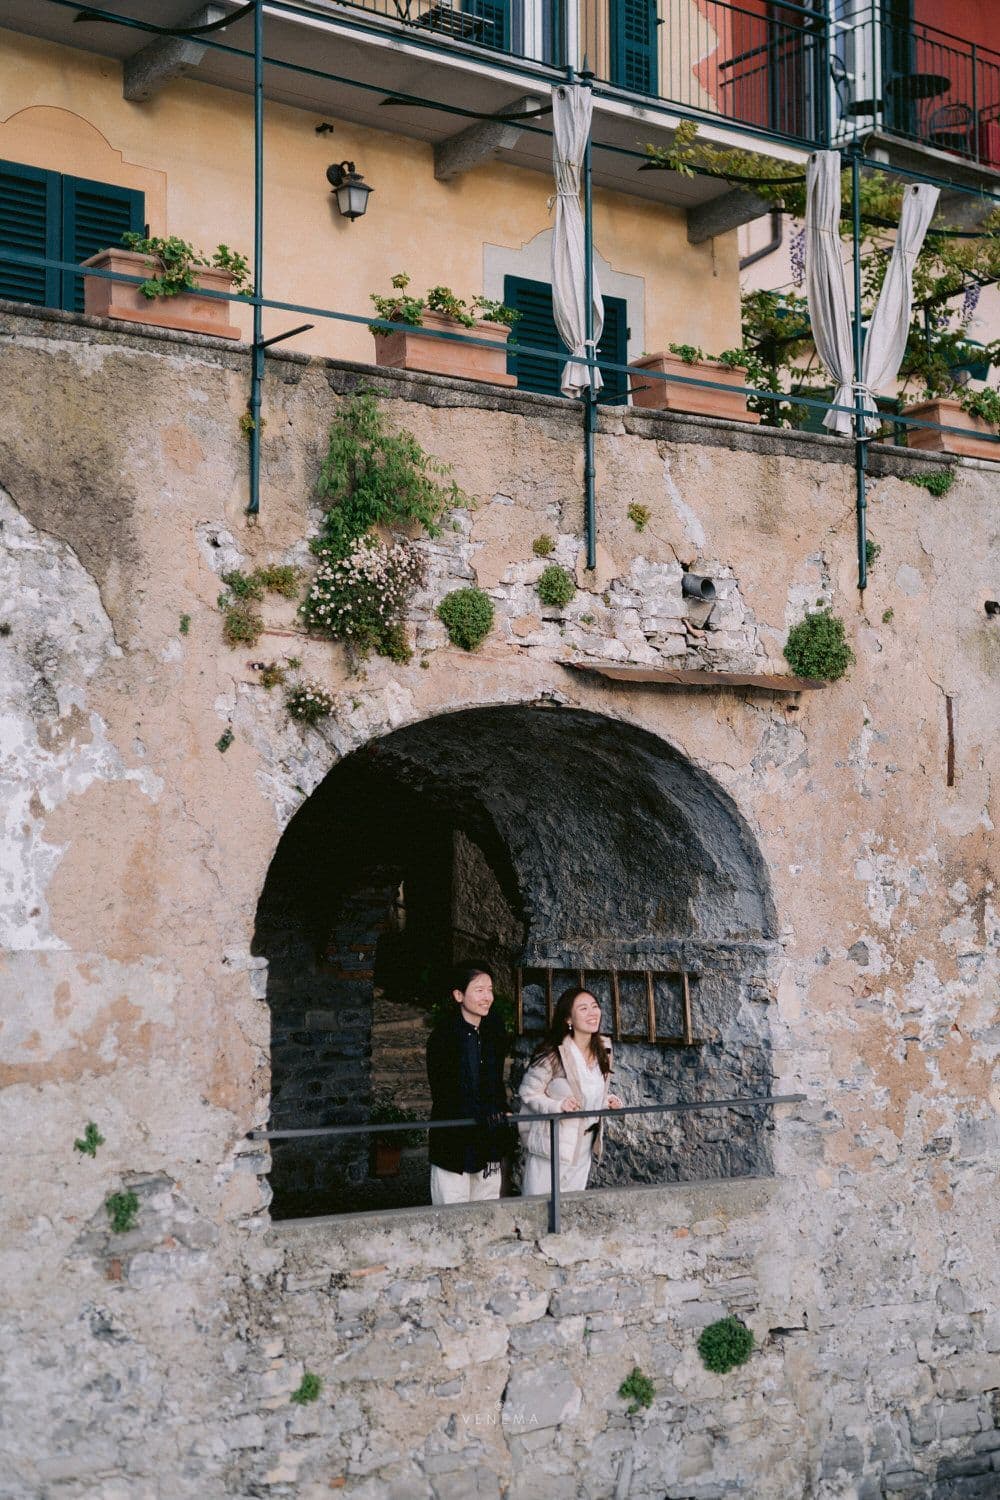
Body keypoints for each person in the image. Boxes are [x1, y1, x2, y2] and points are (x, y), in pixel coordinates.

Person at [518, 986, 622, 1196]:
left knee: (571, 1208)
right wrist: (558, 1106)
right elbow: (528, 1093)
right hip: (552, 1146)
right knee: (539, 1207)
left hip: (584, 1144)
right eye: (583, 1009)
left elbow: (589, 1094)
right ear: (568, 1019)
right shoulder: (553, 1054)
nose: (592, 1013)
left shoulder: (604, 1049)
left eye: (594, 1006)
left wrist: (606, 1101)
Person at [426, 961, 510, 1205]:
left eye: (490, 989)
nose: (487, 997)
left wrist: (499, 1110)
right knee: (452, 1207)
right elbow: (443, 1090)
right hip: (455, 1133)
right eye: (479, 990)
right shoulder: (444, 1037)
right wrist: (476, 1112)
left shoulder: (493, 1030)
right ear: (458, 995)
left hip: (488, 1133)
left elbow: (495, 1081)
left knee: (486, 1204)